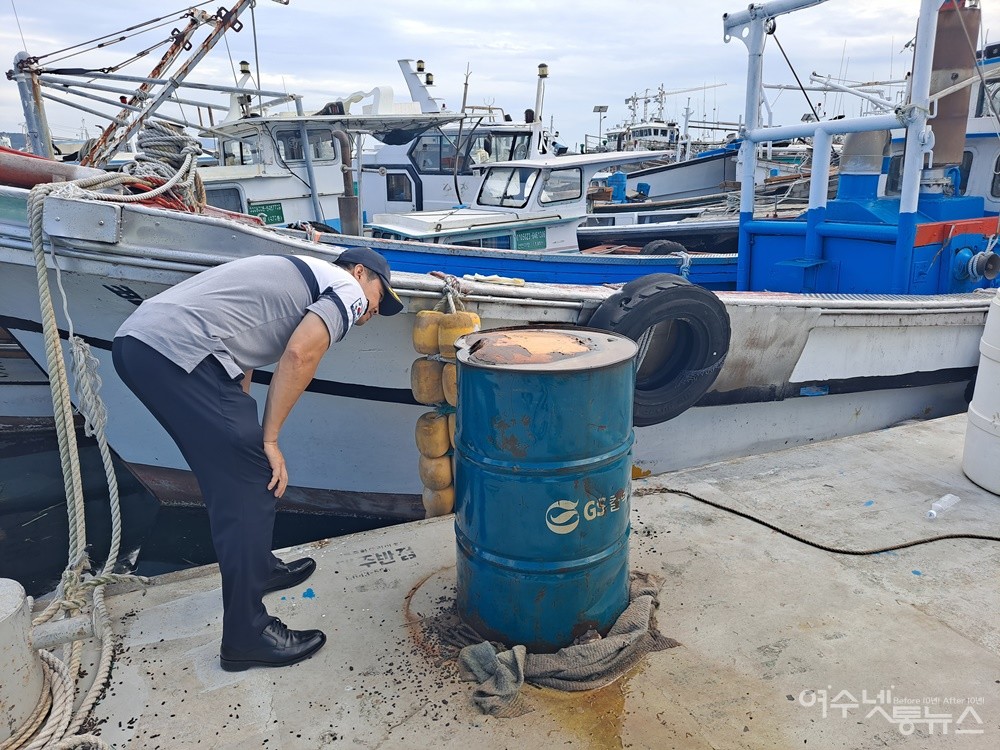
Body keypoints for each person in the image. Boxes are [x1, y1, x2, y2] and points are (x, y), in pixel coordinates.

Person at [112, 247, 403, 671]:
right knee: (252, 480)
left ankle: (259, 569)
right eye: (380, 296)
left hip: (150, 346)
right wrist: (269, 440)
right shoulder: (343, 287)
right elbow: (301, 354)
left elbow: (242, 353)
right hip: (178, 352)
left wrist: (247, 433)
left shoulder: (296, 278)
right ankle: (246, 635)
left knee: (236, 469)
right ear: (360, 272)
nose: (375, 310)